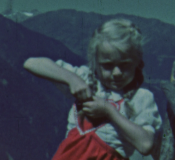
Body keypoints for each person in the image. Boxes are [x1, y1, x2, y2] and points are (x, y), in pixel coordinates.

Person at [23, 18, 162, 160]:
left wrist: (109, 111)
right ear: (95, 62)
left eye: (124, 65)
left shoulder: (141, 97)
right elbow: (31, 63)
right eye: (107, 65)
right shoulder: (85, 78)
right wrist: (72, 79)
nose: (117, 73)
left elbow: (146, 144)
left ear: (137, 62)